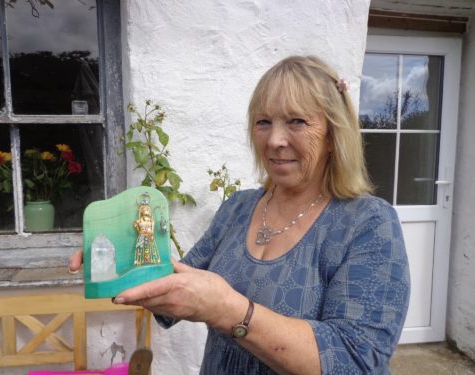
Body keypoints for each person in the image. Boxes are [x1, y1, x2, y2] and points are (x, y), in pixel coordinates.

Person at [70, 55, 410, 374]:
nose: (275, 139)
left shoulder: (367, 223)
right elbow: (181, 286)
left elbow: (356, 359)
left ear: (333, 135)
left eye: (296, 121)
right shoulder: (239, 207)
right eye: (264, 122)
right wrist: (121, 260)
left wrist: (229, 310)